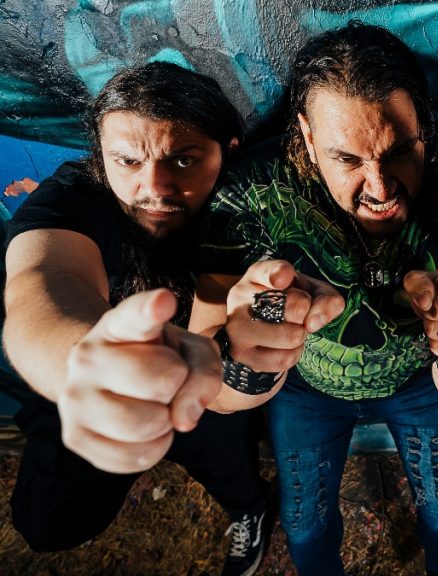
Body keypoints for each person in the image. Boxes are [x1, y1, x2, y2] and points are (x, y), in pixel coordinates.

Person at [189, 22, 438, 576]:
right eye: (347, 160)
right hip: (305, 390)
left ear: (424, 126)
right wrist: (249, 356)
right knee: (304, 526)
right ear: (308, 137)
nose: (380, 189)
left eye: (400, 152)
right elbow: (214, 392)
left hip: (420, 384)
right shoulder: (250, 196)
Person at [2, 62, 272, 576]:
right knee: (44, 525)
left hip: (207, 392)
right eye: (127, 161)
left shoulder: (251, 203)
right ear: (100, 157)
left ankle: (250, 511)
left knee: (237, 481)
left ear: (228, 151)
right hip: (90, 392)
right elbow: (42, 283)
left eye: (184, 160)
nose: (154, 187)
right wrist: (83, 367)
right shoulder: (72, 198)